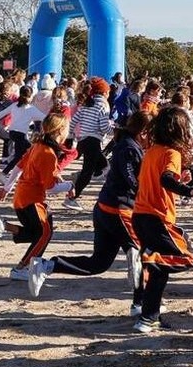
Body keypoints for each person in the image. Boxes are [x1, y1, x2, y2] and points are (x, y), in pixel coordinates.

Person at [26, 110, 148, 298]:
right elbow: (133, 181)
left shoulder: (127, 144)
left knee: (99, 263)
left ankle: (47, 266)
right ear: (143, 132)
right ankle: (142, 305)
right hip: (118, 210)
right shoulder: (128, 148)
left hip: (105, 209)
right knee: (143, 254)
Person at [129, 106, 193, 332]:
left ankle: (148, 316)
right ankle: (146, 261)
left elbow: (161, 177)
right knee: (184, 258)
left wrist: (180, 178)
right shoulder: (172, 153)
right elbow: (166, 180)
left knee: (159, 272)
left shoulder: (152, 151)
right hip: (157, 216)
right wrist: (189, 190)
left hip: (140, 214)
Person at [0, 112, 72, 280]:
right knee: (45, 234)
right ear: (60, 130)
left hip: (20, 198)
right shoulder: (48, 153)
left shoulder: (37, 146)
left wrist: (6, 188)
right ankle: (22, 268)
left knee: (34, 233)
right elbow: (51, 187)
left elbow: (18, 167)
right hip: (34, 200)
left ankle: (4, 225)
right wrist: (70, 186)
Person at [66, 78, 112, 209]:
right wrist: (114, 131)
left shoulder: (87, 103)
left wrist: (70, 135)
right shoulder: (103, 105)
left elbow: (74, 120)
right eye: (108, 91)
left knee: (104, 167)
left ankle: (107, 194)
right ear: (104, 92)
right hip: (93, 140)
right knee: (90, 171)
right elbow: (103, 126)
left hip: (83, 139)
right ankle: (72, 197)